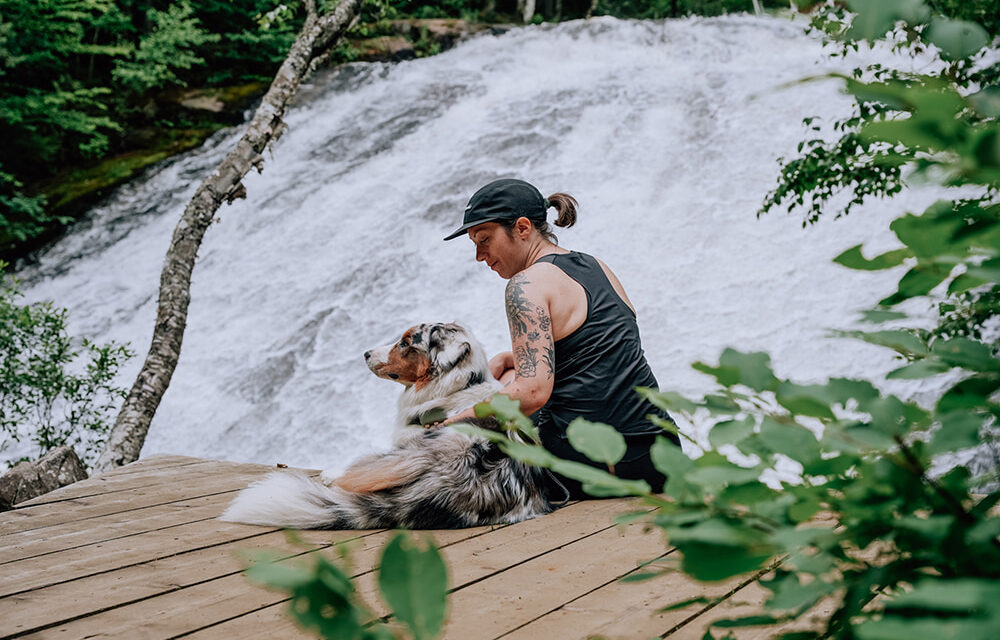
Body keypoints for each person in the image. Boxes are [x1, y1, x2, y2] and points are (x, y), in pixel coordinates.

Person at [439, 178, 680, 500]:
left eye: (484, 240)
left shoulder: (525, 285)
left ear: (522, 228)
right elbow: (598, 347)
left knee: (472, 449)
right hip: (658, 452)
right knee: (510, 374)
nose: (480, 256)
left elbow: (533, 392)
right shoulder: (595, 265)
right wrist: (509, 358)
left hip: (597, 462)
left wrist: (455, 422)